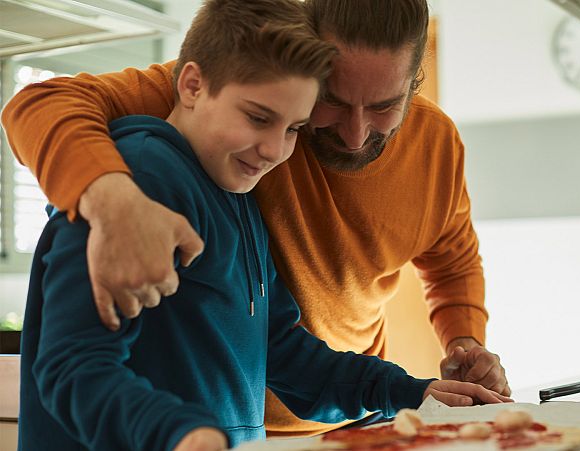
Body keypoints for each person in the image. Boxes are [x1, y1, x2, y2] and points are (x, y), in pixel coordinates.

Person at [1, 0, 511, 437]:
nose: (356, 136)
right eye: (331, 104)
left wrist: (419, 388)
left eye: (294, 127)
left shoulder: (240, 192)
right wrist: (114, 200)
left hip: (324, 424)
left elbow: (287, 349)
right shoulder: (147, 168)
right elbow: (72, 369)